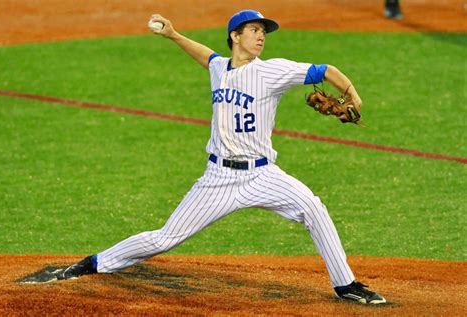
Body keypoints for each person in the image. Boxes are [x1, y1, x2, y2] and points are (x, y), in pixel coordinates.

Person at [54, 10, 386, 305]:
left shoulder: (271, 72)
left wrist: (352, 93)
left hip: (262, 175)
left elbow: (325, 69)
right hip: (218, 180)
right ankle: (94, 263)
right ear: (235, 36)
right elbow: (207, 57)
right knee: (166, 237)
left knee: (313, 207)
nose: (260, 37)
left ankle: (346, 284)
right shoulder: (219, 68)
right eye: (254, 30)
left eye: (263, 32)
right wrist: (172, 34)